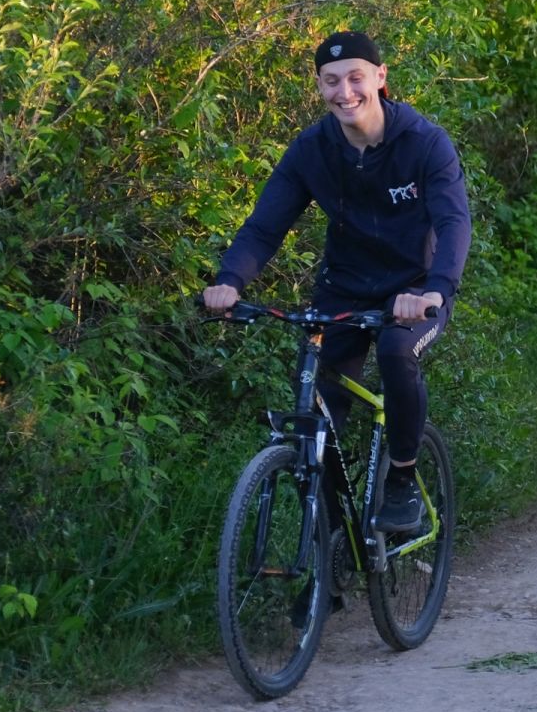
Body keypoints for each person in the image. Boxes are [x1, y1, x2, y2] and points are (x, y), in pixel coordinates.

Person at [202, 30, 471, 533]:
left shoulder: (424, 143)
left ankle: (403, 479)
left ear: (380, 77)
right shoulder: (312, 150)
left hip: (413, 291)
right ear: (320, 87)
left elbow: (455, 223)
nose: (344, 92)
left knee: (396, 353)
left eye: (355, 78)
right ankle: (327, 557)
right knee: (316, 419)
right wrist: (230, 280)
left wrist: (436, 289)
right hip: (343, 291)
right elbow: (265, 226)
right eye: (331, 82)